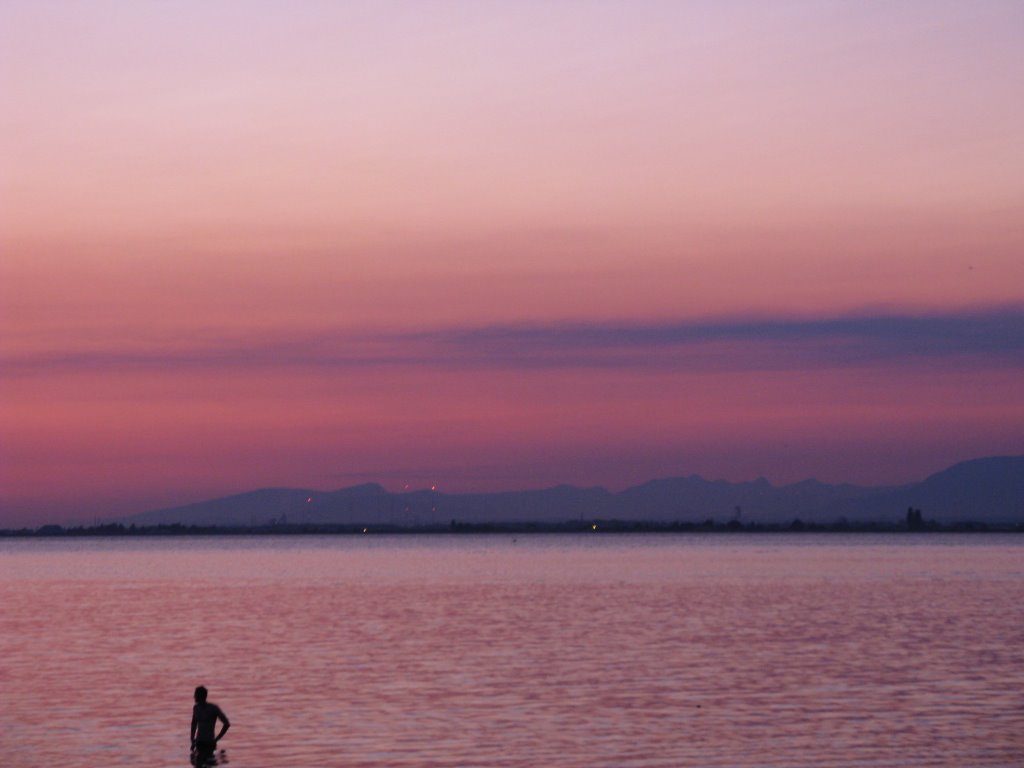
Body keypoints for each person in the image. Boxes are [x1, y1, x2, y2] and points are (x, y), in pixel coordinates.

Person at [191, 686, 230, 765]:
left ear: (201, 696)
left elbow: (226, 724)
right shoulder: (196, 708)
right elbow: (194, 724)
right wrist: (192, 739)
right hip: (199, 742)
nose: (194, 696)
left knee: (210, 764)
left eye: (195, 694)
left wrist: (217, 739)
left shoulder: (213, 708)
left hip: (209, 742)